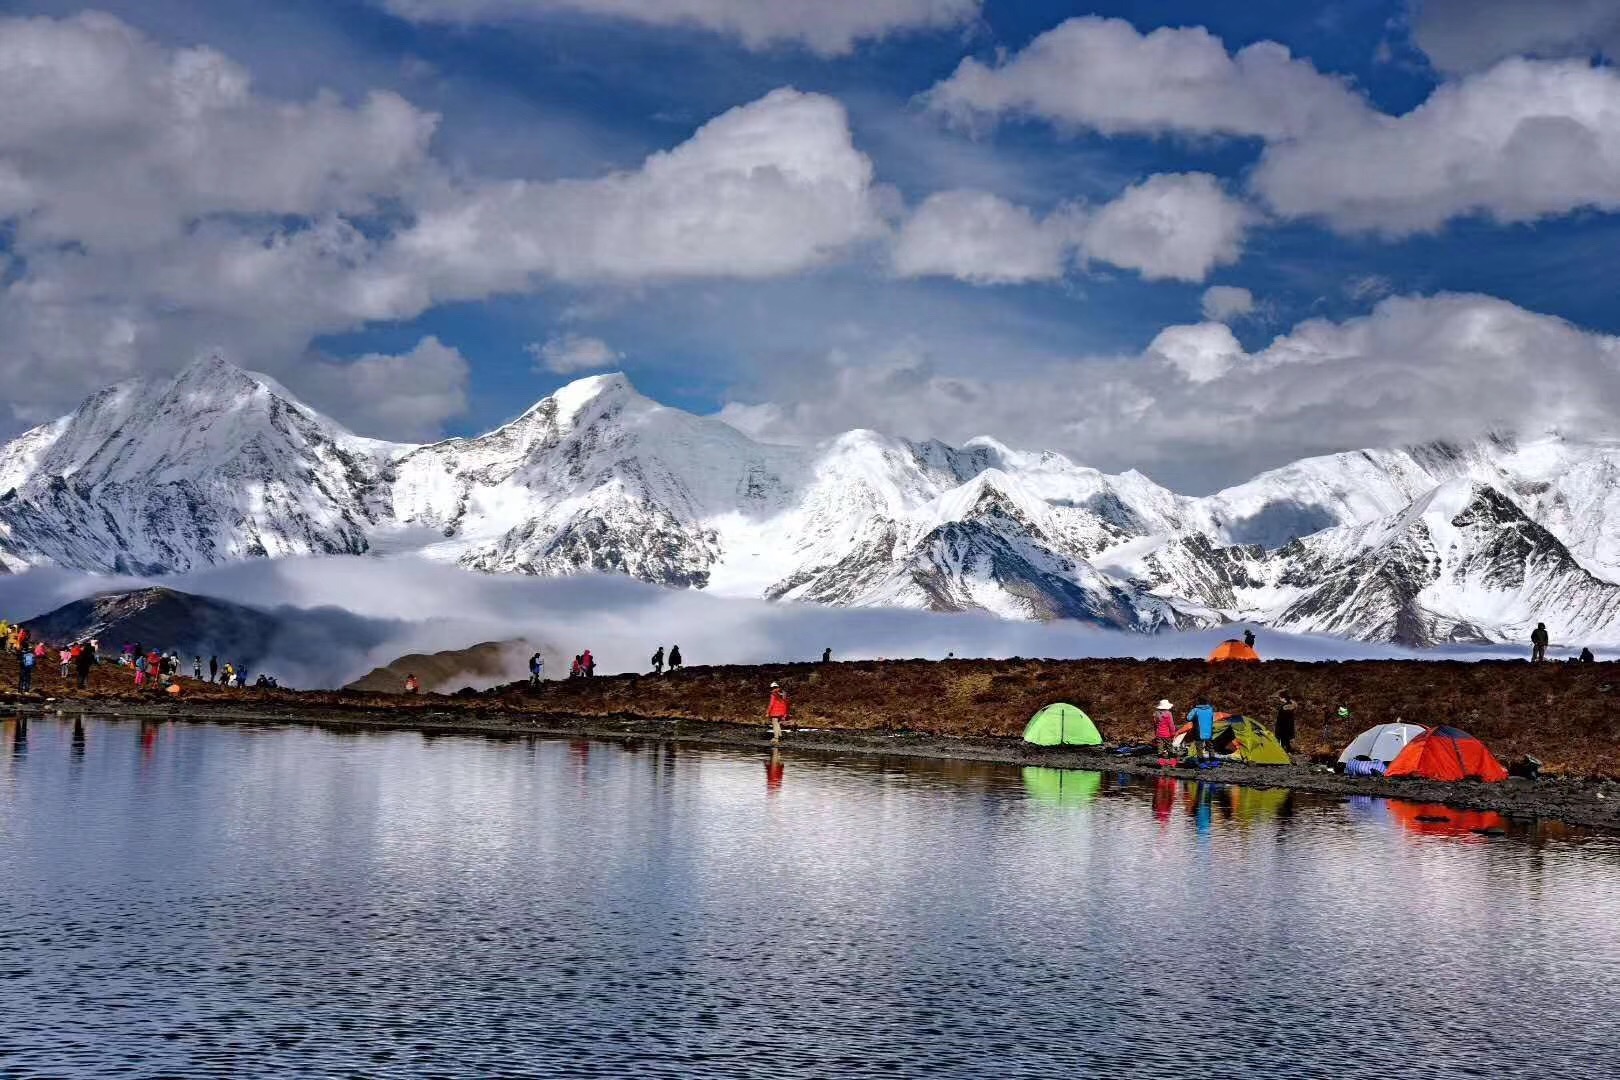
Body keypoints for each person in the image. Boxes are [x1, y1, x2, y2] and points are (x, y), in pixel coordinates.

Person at [1274, 690, 1298, 754]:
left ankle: (1285, 752)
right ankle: (1287, 751)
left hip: (1283, 726)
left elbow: (1281, 718)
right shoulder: (1293, 705)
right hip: (1288, 726)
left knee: (1283, 740)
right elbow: (1295, 706)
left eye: (1280, 697)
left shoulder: (1284, 706)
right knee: (1286, 740)